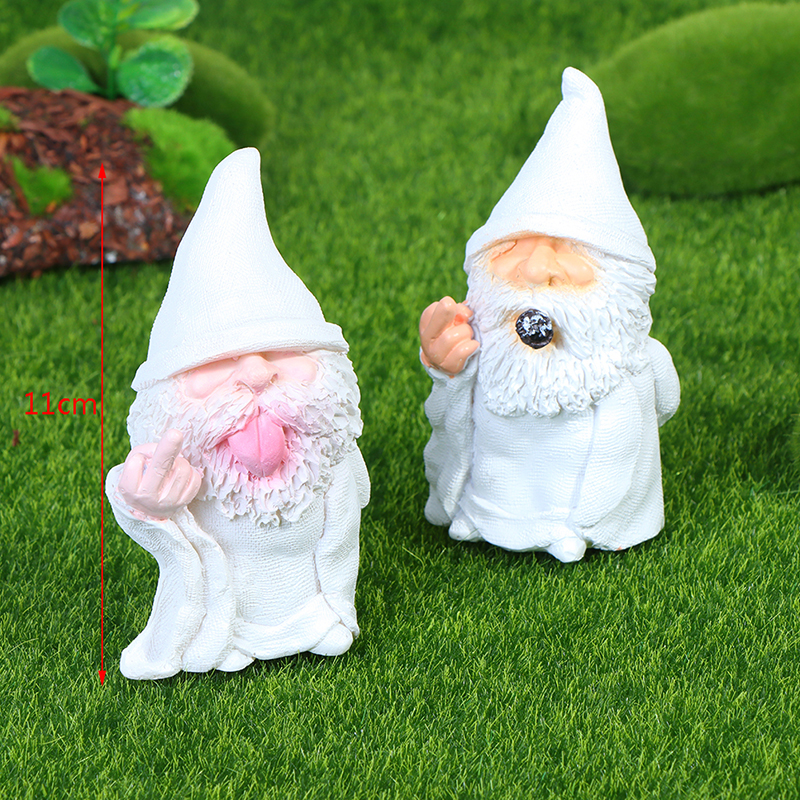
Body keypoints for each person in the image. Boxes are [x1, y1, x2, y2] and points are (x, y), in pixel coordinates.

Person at [106, 149, 369, 679]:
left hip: (317, 608)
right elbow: (139, 488)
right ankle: (229, 632)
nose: (255, 373)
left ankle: (318, 618)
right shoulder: (187, 463)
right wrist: (145, 503)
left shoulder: (329, 451)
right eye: (218, 363)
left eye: (281, 352)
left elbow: (346, 513)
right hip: (223, 620)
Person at [420, 68, 679, 562]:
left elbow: (664, 404)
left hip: (593, 511)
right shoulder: (485, 342)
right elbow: (451, 412)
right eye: (514, 246)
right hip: (492, 501)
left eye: (570, 250)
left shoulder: (638, 360)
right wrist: (445, 366)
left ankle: (584, 525)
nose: (537, 269)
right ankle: (484, 516)